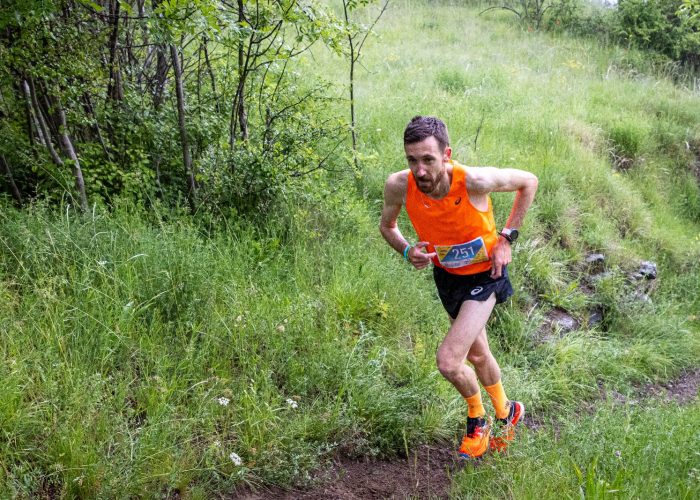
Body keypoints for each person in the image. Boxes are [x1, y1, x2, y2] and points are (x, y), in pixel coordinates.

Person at [379, 116, 538, 459]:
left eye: (428, 160)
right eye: (412, 160)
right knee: (478, 354)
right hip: (448, 277)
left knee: (450, 361)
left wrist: (507, 238)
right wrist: (408, 250)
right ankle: (508, 412)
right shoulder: (398, 185)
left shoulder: (473, 182)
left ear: (446, 154)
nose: (419, 170)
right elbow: (388, 226)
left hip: (485, 276)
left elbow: (529, 182)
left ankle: (477, 420)